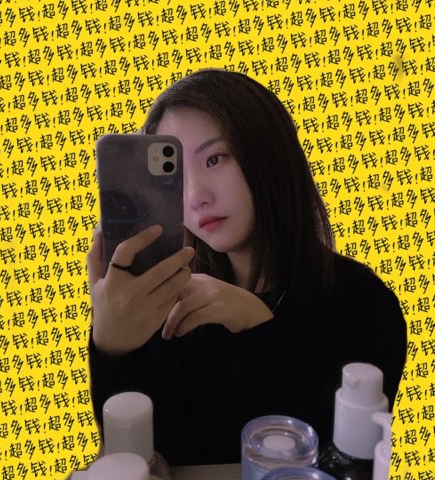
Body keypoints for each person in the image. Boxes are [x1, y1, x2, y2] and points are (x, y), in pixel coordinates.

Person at [87, 68, 407, 466]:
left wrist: (256, 329)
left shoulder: (364, 307)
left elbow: (333, 465)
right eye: (176, 175)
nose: (196, 195)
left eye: (215, 159)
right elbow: (138, 460)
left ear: (270, 152)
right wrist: (112, 349)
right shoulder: (162, 297)